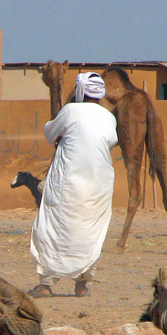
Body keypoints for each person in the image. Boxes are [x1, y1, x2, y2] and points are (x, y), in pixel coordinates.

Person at [29, 71, 118, 298]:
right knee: (90, 230)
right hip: (98, 184)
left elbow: (50, 134)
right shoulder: (109, 117)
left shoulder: (70, 111)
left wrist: (63, 135)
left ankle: (47, 283)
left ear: (79, 90)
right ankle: (82, 284)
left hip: (68, 184)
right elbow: (109, 141)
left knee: (53, 228)